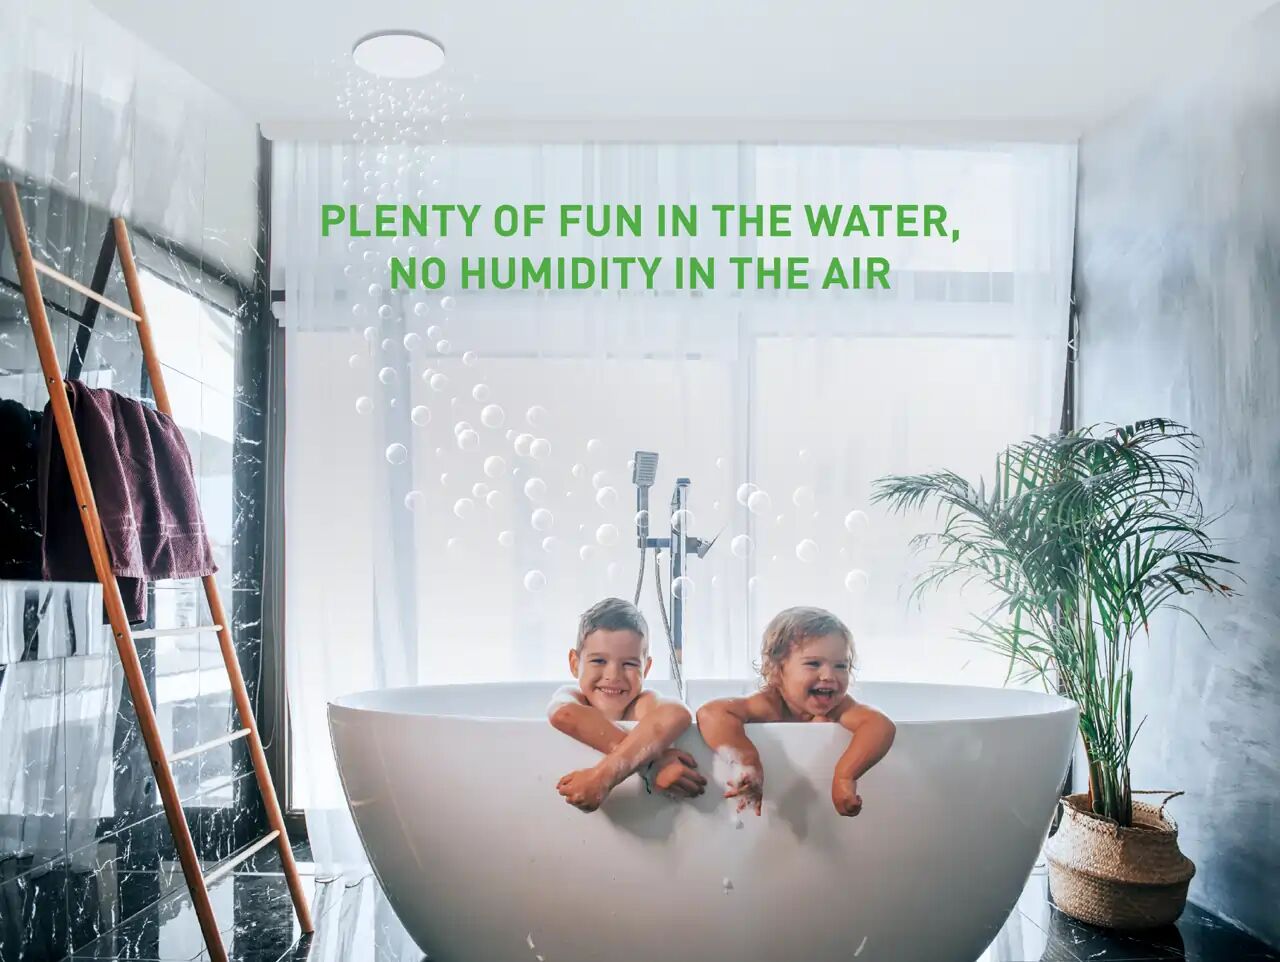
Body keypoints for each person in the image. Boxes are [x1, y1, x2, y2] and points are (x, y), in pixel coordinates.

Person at [697, 606, 895, 817]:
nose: (828, 675)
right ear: (776, 670)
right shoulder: (770, 705)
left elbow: (880, 726)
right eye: (813, 664)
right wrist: (747, 760)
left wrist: (845, 776)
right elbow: (711, 713)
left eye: (841, 666)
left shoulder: (838, 708)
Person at [548, 597, 706, 812]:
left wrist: (602, 776)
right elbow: (563, 715)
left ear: (646, 668)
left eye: (630, 664)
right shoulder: (573, 697)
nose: (613, 676)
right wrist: (652, 766)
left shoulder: (641, 703)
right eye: (599, 661)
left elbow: (677, 713)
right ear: (575, 664)